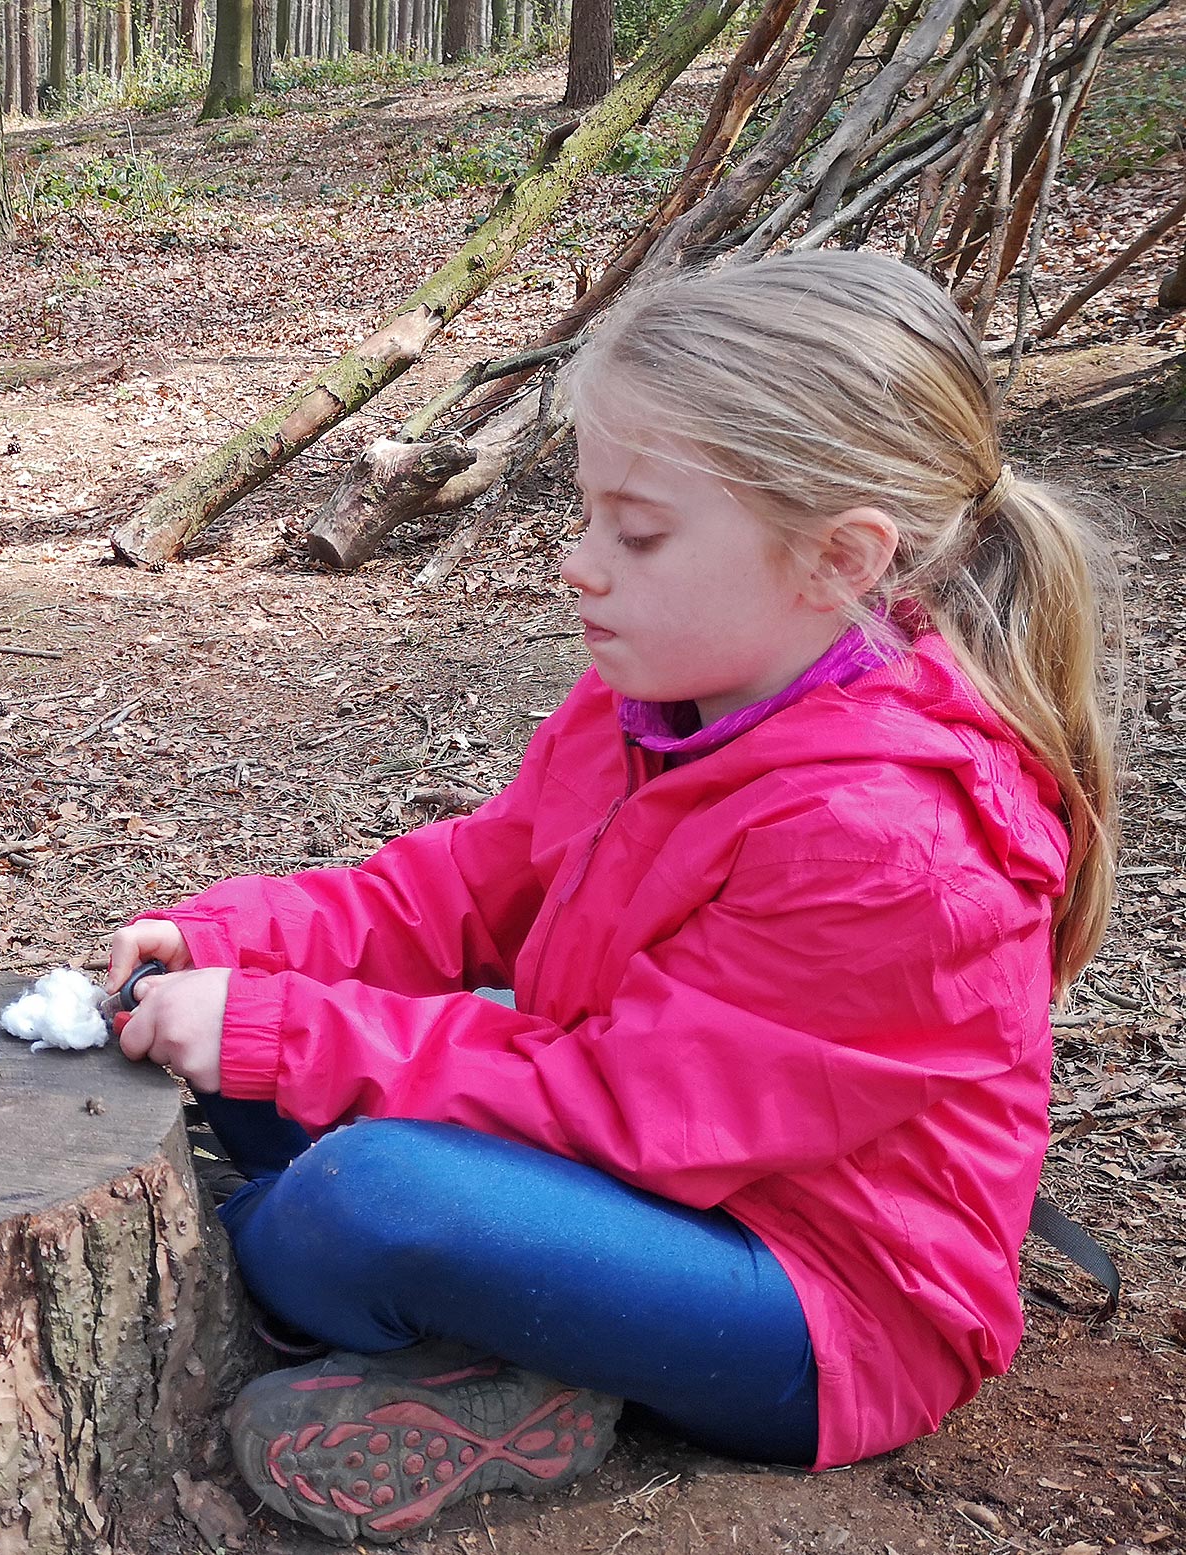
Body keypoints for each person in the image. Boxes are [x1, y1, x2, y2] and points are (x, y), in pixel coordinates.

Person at [103, 251, 1117, 1545]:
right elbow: (474, 882)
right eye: (587, 517)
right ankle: (487, 1345)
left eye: (635, 535)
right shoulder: (667, 693)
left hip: (818, 1304)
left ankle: (401, 1315)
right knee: (269, 1052)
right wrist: (231, 943)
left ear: (843, 559)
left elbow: (626, 1107)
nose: (583, 564)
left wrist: (276, 1035)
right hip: (655, 1176)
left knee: (364, 1199)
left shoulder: (894, 844)